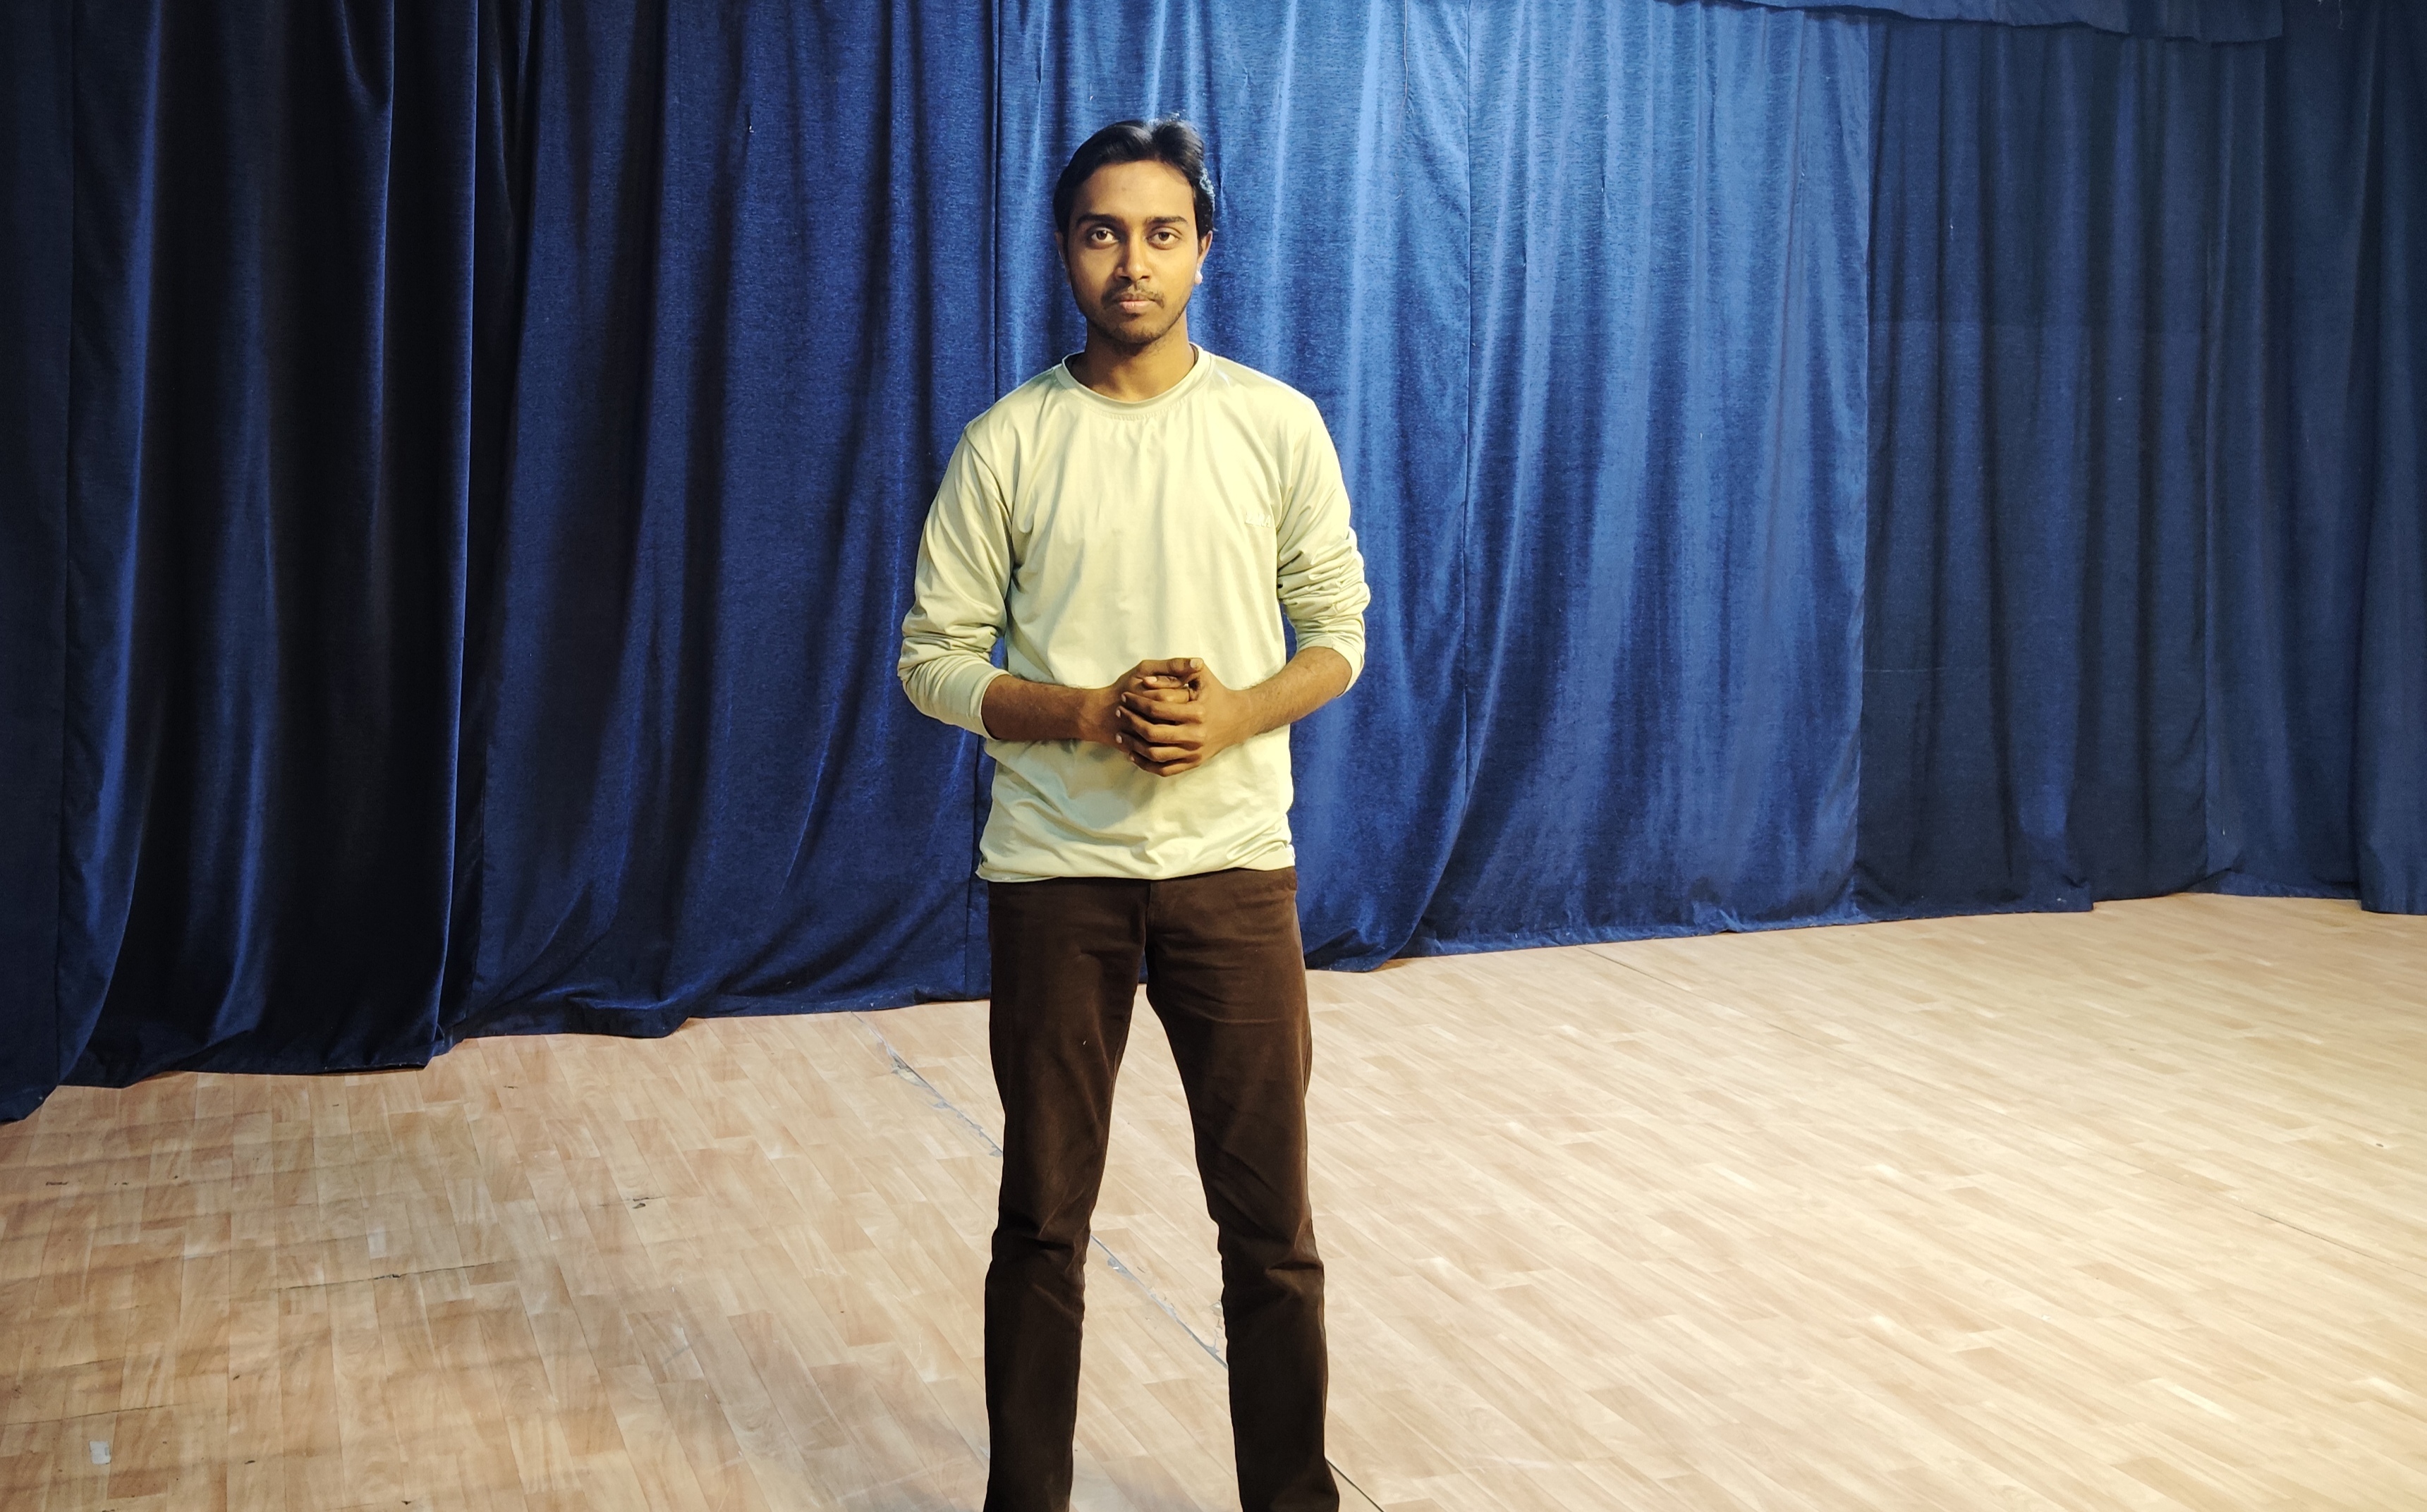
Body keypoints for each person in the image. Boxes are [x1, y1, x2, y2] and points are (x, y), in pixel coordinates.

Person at [897, 116, 1369, 1512]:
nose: (1132, 262)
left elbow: (1338, 633)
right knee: (1042, 1222)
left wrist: (1234, 713)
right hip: (1056, 876)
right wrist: (1087, 712)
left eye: (1162, 233)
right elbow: (932, 662)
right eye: (1103, 232)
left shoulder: (1273, 425)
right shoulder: (1008, 443)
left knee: (1270, 1231)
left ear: (1204, 250)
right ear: (1065, 249)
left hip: (1234, 869)